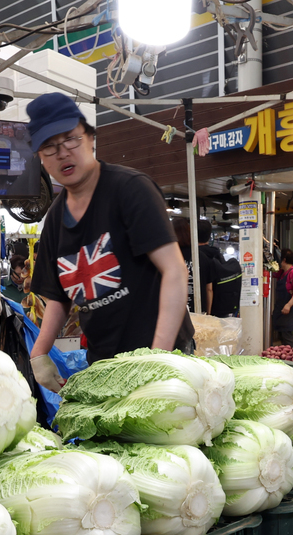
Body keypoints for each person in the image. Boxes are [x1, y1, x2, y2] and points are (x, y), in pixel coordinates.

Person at [26, 92, 191, 388]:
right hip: (104, 364)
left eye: (70, 139)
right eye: (49, 147)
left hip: (163, 354)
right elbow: (59, 297)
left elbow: (175, 270)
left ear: (90, 138)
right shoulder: (53, 220)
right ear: (40, 158)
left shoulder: (130, 190)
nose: (62, 152)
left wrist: (156, 359)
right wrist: (39, 353)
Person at [273, 248, 293, 346]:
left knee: (287, 337)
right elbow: (270, 272)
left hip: (289, 310)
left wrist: (288, 305)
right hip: (280, 309)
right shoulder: (281, 273)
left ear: (284, 260)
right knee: (282, 337)